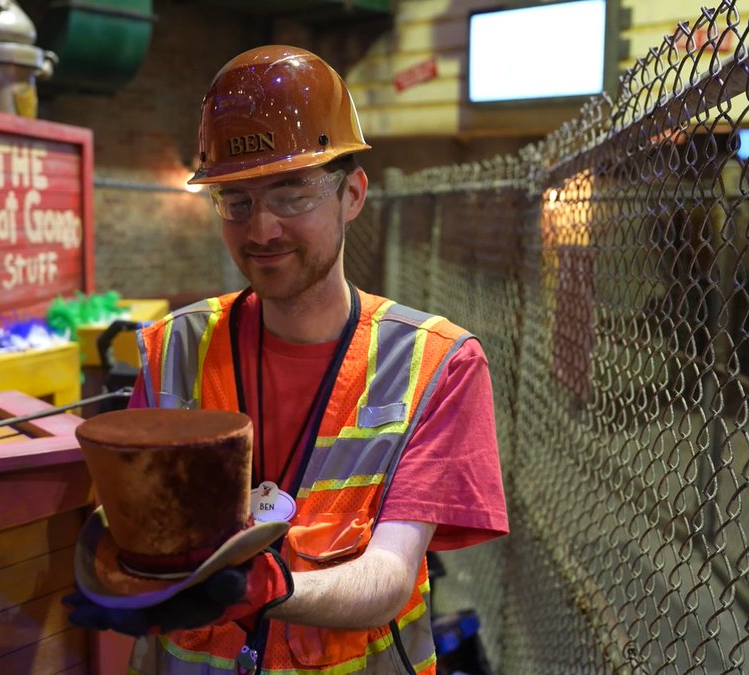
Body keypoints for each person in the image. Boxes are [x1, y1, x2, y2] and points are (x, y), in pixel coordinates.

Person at [66, 44, 508, 674]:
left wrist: (271, 590)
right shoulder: (175, 349)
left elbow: (389, 574)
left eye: (291, 194)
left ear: (352, 194)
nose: (261, 229)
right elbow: (139, 526)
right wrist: (117, 573)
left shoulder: (437, 365)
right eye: (236, 201)